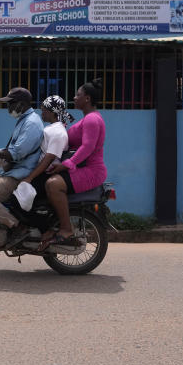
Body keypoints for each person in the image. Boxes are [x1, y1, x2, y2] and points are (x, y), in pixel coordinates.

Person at [0, 87, 44, 250]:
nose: (8, 108)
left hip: (19, 175)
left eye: (11, 103)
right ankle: (2, 233)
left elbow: (16, 153)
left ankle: (18, 228)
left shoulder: (31, 123)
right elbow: (12, 150)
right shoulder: (24, 120)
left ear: (22, 104)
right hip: (13, 171)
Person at [39, 78, 107, 250]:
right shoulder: (88, 118)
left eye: (78, 95)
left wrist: (67, 164)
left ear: (87, 99)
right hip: (82, 167)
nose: (74, 98)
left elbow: (88, 147)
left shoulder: (92, 119)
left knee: (53, 185)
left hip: (92, 170)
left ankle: (66, 229)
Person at [21, 95, 73, 200]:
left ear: (52, 112)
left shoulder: (58, 132)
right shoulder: (52, 128)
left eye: (43, 110)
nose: (41, 113)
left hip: (45, 175)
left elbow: (49, 158)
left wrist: (30, 178)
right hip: (40, 172)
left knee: (17, 200)